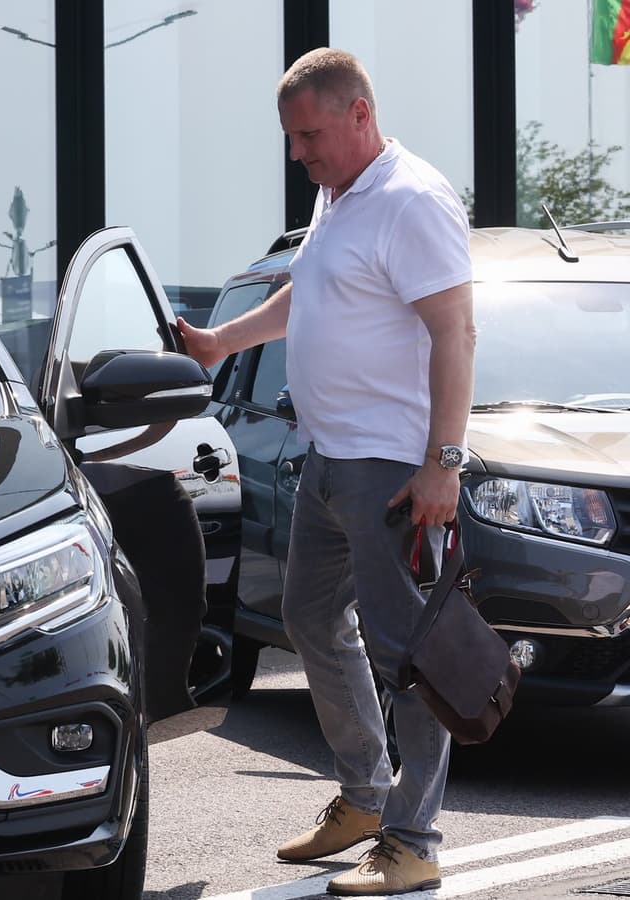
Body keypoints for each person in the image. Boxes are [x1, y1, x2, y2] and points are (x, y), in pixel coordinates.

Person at [176, 48, 474, 897]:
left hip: (392, 469)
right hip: (329, 460)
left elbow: (456, 333)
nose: (296, 153)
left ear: (359, 114)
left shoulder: (412, 199)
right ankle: (366, 796)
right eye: (290, 137)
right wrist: (220, 341)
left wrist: (442, 465)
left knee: (407, 655)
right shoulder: (339, 193)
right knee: (309, 619)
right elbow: (309, 288)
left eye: (308, 135)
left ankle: (413, 841)